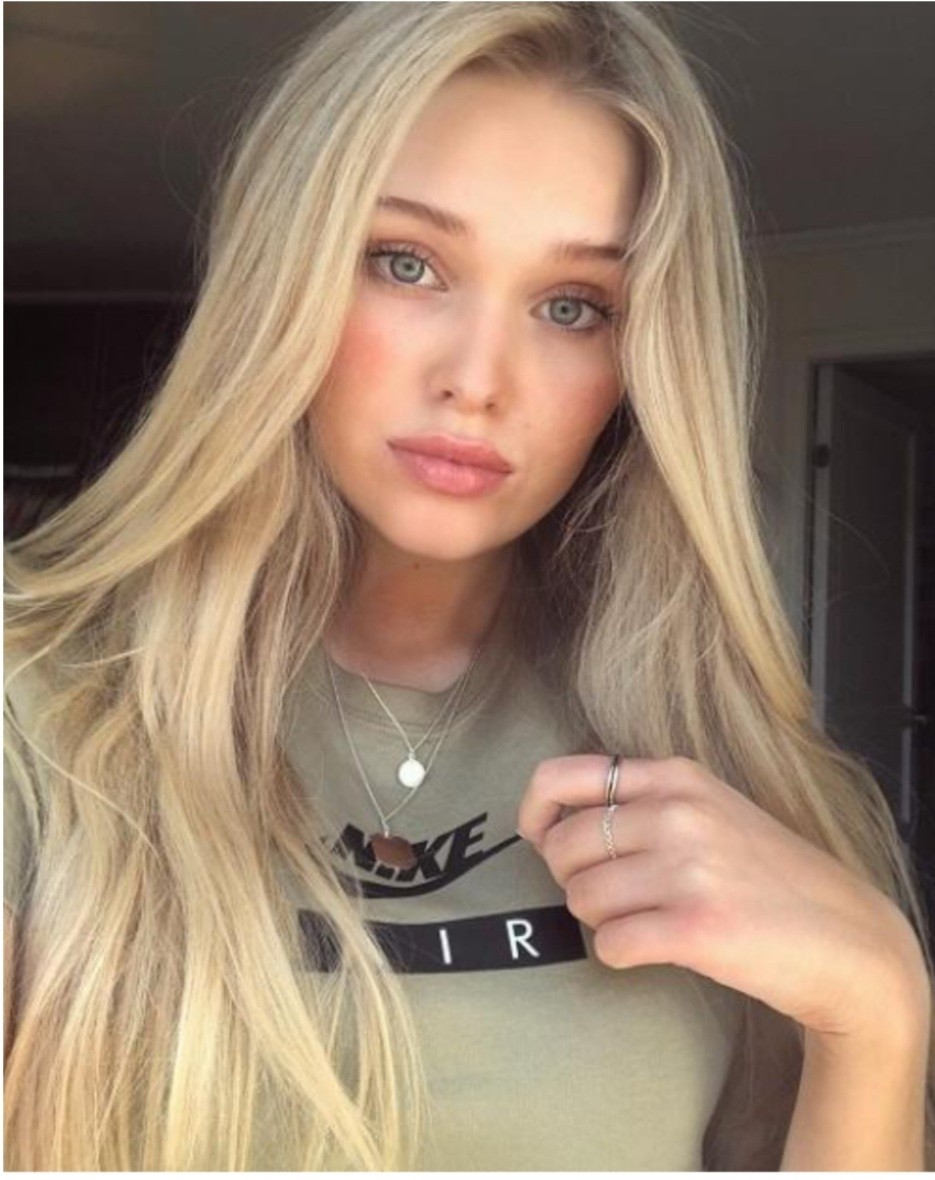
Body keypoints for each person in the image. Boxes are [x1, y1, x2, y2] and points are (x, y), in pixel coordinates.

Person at [4, 2, 933, 1170]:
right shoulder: (40, 705)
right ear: (281, 280)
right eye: (407, 263)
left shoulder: (733, 772)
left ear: (639, 362)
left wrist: (877, 1009)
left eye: (571, 306)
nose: (479, 379)